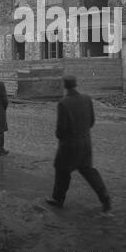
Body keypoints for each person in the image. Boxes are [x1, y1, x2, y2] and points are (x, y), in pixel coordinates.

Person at [46, 75, 111, 212]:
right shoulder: (87, 99)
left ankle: (58, 199)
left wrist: (61, 137)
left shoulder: (63, 103)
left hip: (69, 145)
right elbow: (91, 122)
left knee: (62, 171)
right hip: (85, 142)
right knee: (88, 171)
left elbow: (61, 129)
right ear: (76, 84)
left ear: (65, 86)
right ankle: (104, 197)